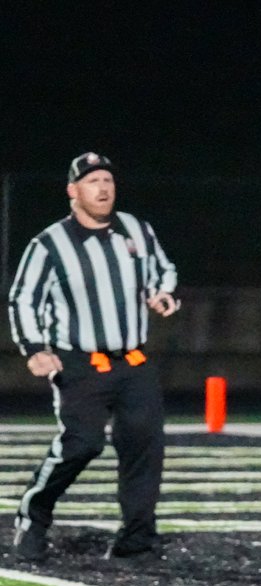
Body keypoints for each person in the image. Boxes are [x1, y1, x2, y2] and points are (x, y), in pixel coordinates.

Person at [7, 152, 180, 561]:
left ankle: (136, 539)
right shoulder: (49, 243)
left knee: (144, 445)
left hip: (133, 361)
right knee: (81, 444)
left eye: (107, 180)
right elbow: (23, 298)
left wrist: (162, 293)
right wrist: (35, 348)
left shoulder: (136, 229)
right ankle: (34, 515)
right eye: (91, 181)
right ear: (72, 191)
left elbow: (162, 270)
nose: (103, 188)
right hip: (80, 363)